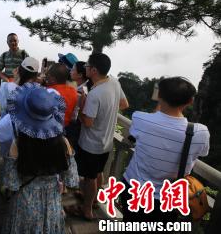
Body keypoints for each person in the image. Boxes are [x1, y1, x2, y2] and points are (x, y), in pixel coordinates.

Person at [120, 77, 210, 223]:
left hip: (134, 190)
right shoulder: (200, 132)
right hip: (167, 199)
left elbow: (147, 126)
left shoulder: (140, 118)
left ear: (159, 96)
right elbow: (202, 152)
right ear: (190, 102)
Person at [1, 83, 69, 234]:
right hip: (52, 205)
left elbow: (11, 183)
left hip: (24, 205)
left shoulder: (18, 144)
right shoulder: (63, 143)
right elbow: (71, 180)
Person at [70, 52, 129, 221]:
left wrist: (81, 106)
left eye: (88, 66)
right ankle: (94, 199)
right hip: (106, 142)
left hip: (91, 144)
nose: (85, 67)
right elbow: (124, 104)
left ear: (94, 70)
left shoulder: (95, 94)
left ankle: (86, 210)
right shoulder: (114, 82)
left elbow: (87, 122)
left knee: (89, 178)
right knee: (97, 173)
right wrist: (107, 110)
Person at [46, 63, 78, 127]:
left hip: (49, 129)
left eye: (47, 76)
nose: (46, 78)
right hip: (64, 128)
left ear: (53, 79)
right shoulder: (73, 91)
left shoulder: (48, 92)